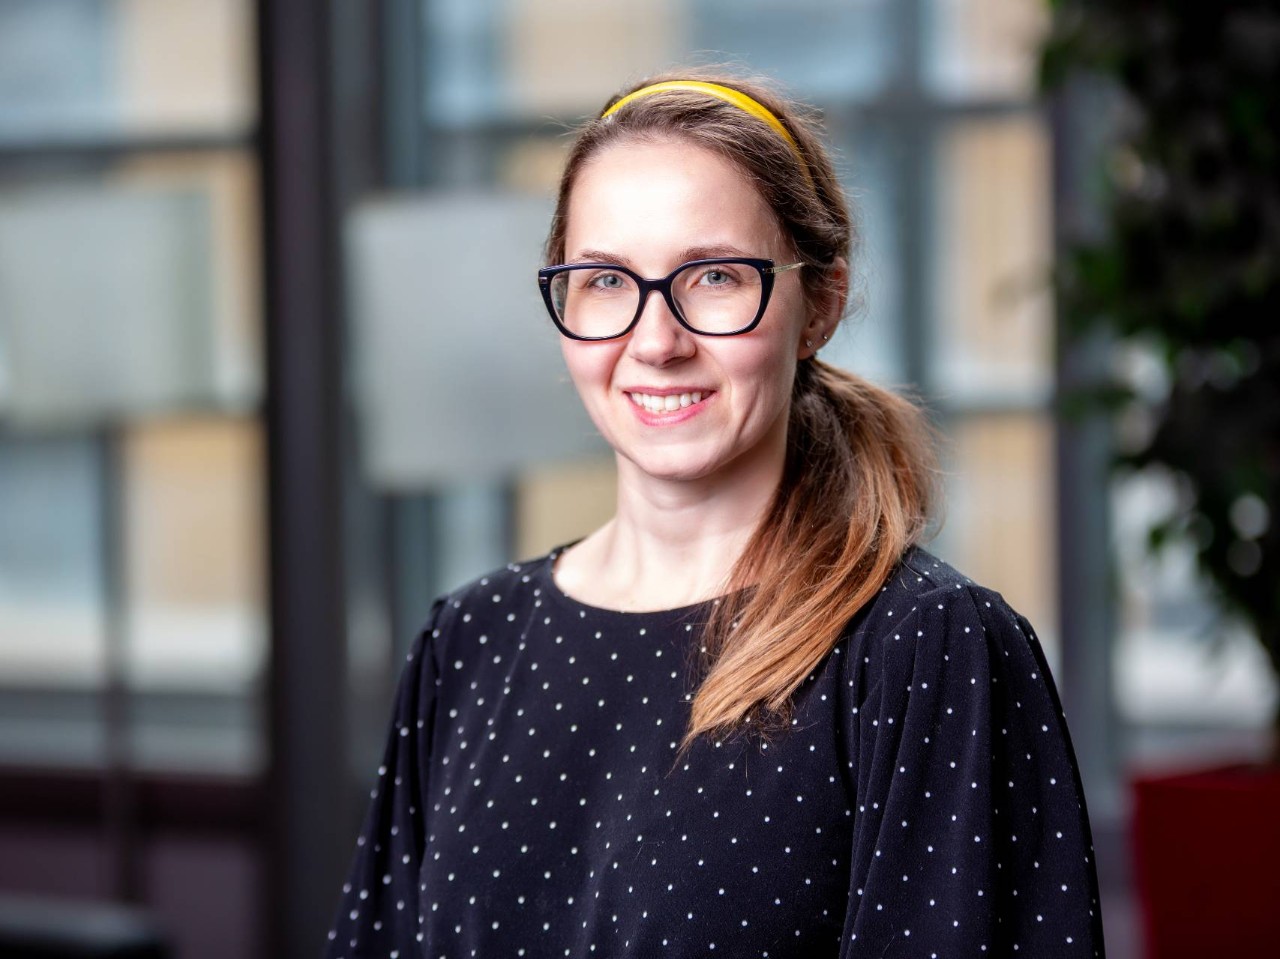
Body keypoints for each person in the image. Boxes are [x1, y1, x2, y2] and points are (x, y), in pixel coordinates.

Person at [325, 71, 1105, 958]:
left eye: (716, 277)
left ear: (820, 302)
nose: (657, 342)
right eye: (607, 282)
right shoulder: (468, 640)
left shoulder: (923, 648)